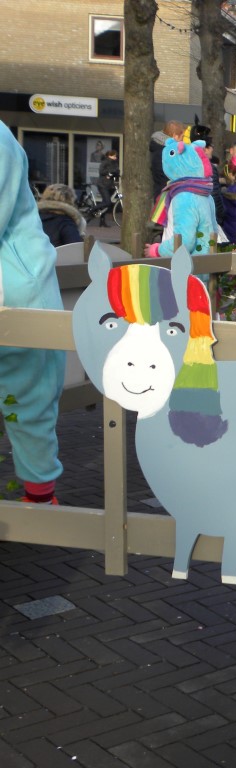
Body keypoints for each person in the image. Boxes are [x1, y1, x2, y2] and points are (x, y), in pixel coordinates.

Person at [0, 119, 65, 506]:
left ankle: (40, 498)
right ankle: (40, 497)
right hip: (19, 285)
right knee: (30, 399)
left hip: (17, 291)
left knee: (29, 396)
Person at [150, 120, 185, 198]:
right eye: (182, 137)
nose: (182, 140)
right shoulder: (166, 153)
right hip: (167, 196)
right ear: (175, 136)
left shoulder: (158, 149)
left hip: (162, 194)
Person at [96, 148, 119, 227]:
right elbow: (101, 171)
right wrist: (109, 173)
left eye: (116, 156)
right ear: (109, 156)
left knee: (105, 203)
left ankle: (102, 221)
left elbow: (117, 172)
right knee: (107, 202)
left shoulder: (114, 163)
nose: (115, 157)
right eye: (114, 156)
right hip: (103, 184)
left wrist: (114, 173)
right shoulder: (105, 162)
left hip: (109, 185)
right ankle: (92, 209)